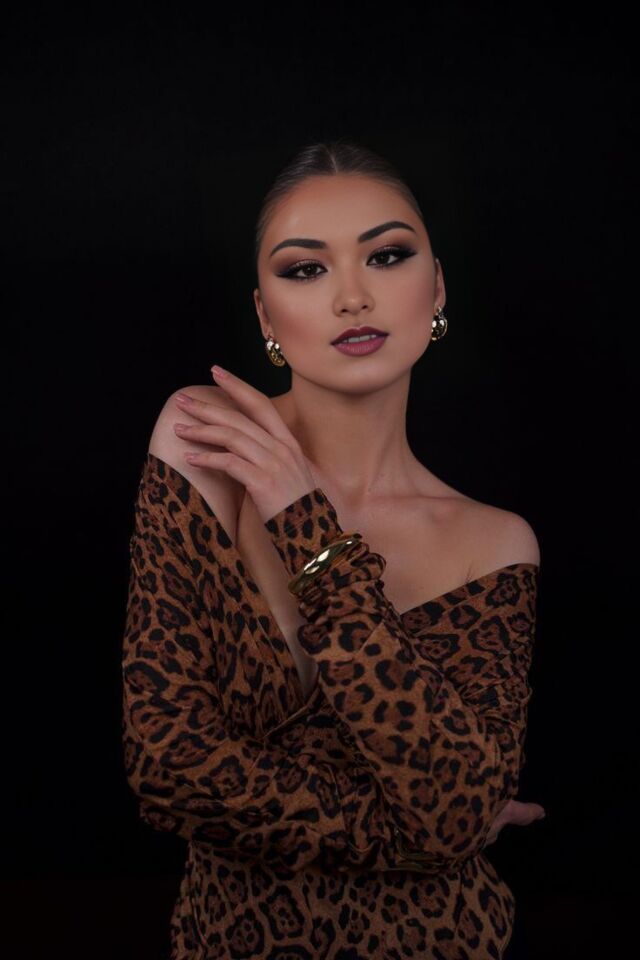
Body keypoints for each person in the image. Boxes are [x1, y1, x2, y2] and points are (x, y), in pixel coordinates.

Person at [122, 138, 546, 959]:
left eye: (386, 256)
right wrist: (430, 837)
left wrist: (303, 521)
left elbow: (455, 804)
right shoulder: (205, 437)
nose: (352, 296)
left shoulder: (496, 542)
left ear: (437, 288)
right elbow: (167, 766)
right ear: (264, 316)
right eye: (306, 269)